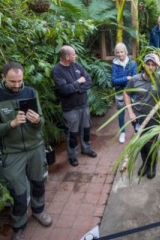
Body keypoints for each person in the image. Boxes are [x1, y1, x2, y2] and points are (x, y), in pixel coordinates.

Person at [0, 62, 52, 240]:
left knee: (38, 182)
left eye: (20, 81)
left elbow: (41, 122)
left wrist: (37, 120)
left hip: (35, 146)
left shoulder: (30, 92)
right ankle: (19, 225)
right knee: (18, 192)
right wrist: (11, 124)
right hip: (12, 152)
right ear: (3, 77)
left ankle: (38, 211)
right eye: (12, 82)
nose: (17, 85)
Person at [123, 54, 160, 179]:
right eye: (148, 64)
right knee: (142, 143)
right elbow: (126, 94)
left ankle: (152, 164)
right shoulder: (135, 79)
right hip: (139, 118)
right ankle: (145, 164)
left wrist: (159, 63)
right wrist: (130, 112)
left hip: (154, 118)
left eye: (153, 65)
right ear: (143, 65)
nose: (150, 67)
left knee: (152, 144)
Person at [51, 45, 97, 167]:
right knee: (72, 133)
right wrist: (78, 82)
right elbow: (64, 89)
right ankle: (72, 156)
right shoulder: (57, 70)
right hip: (70, 109)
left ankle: (86, 149)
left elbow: (88, 81)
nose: (75, 56)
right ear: (67, 57)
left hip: (84, 105)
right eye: (73, 54)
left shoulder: (77, 66)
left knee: (86, 129)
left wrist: (77, 89)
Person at [111, 43, 137, 143]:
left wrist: (121, 81)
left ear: (125, 51)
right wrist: (126, 78)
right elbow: (113, 81)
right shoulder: (115, 65)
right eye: (118, 52)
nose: (120, 54)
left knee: (134, 111)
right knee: (121, 113)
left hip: (131, 91)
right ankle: (122, 132)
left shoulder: (132, 63)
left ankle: (136, 130)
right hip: (120, 92)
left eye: (121, 52)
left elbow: (134, 79)